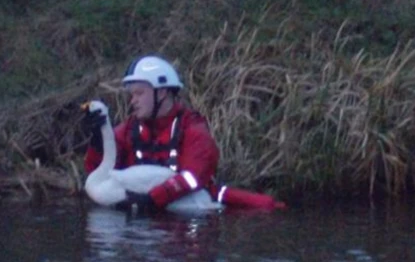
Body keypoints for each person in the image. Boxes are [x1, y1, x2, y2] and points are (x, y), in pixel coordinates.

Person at [84, 55, 285, 214]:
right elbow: (97, 174)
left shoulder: (193, 130)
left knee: (266, 206)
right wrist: (98, 143)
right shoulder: (128, 129)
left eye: (139, 93)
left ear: (162, 92)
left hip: (191, 205)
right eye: (131, 95)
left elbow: (192, 177)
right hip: (152, 213)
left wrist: (153, 199)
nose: (132, 101)